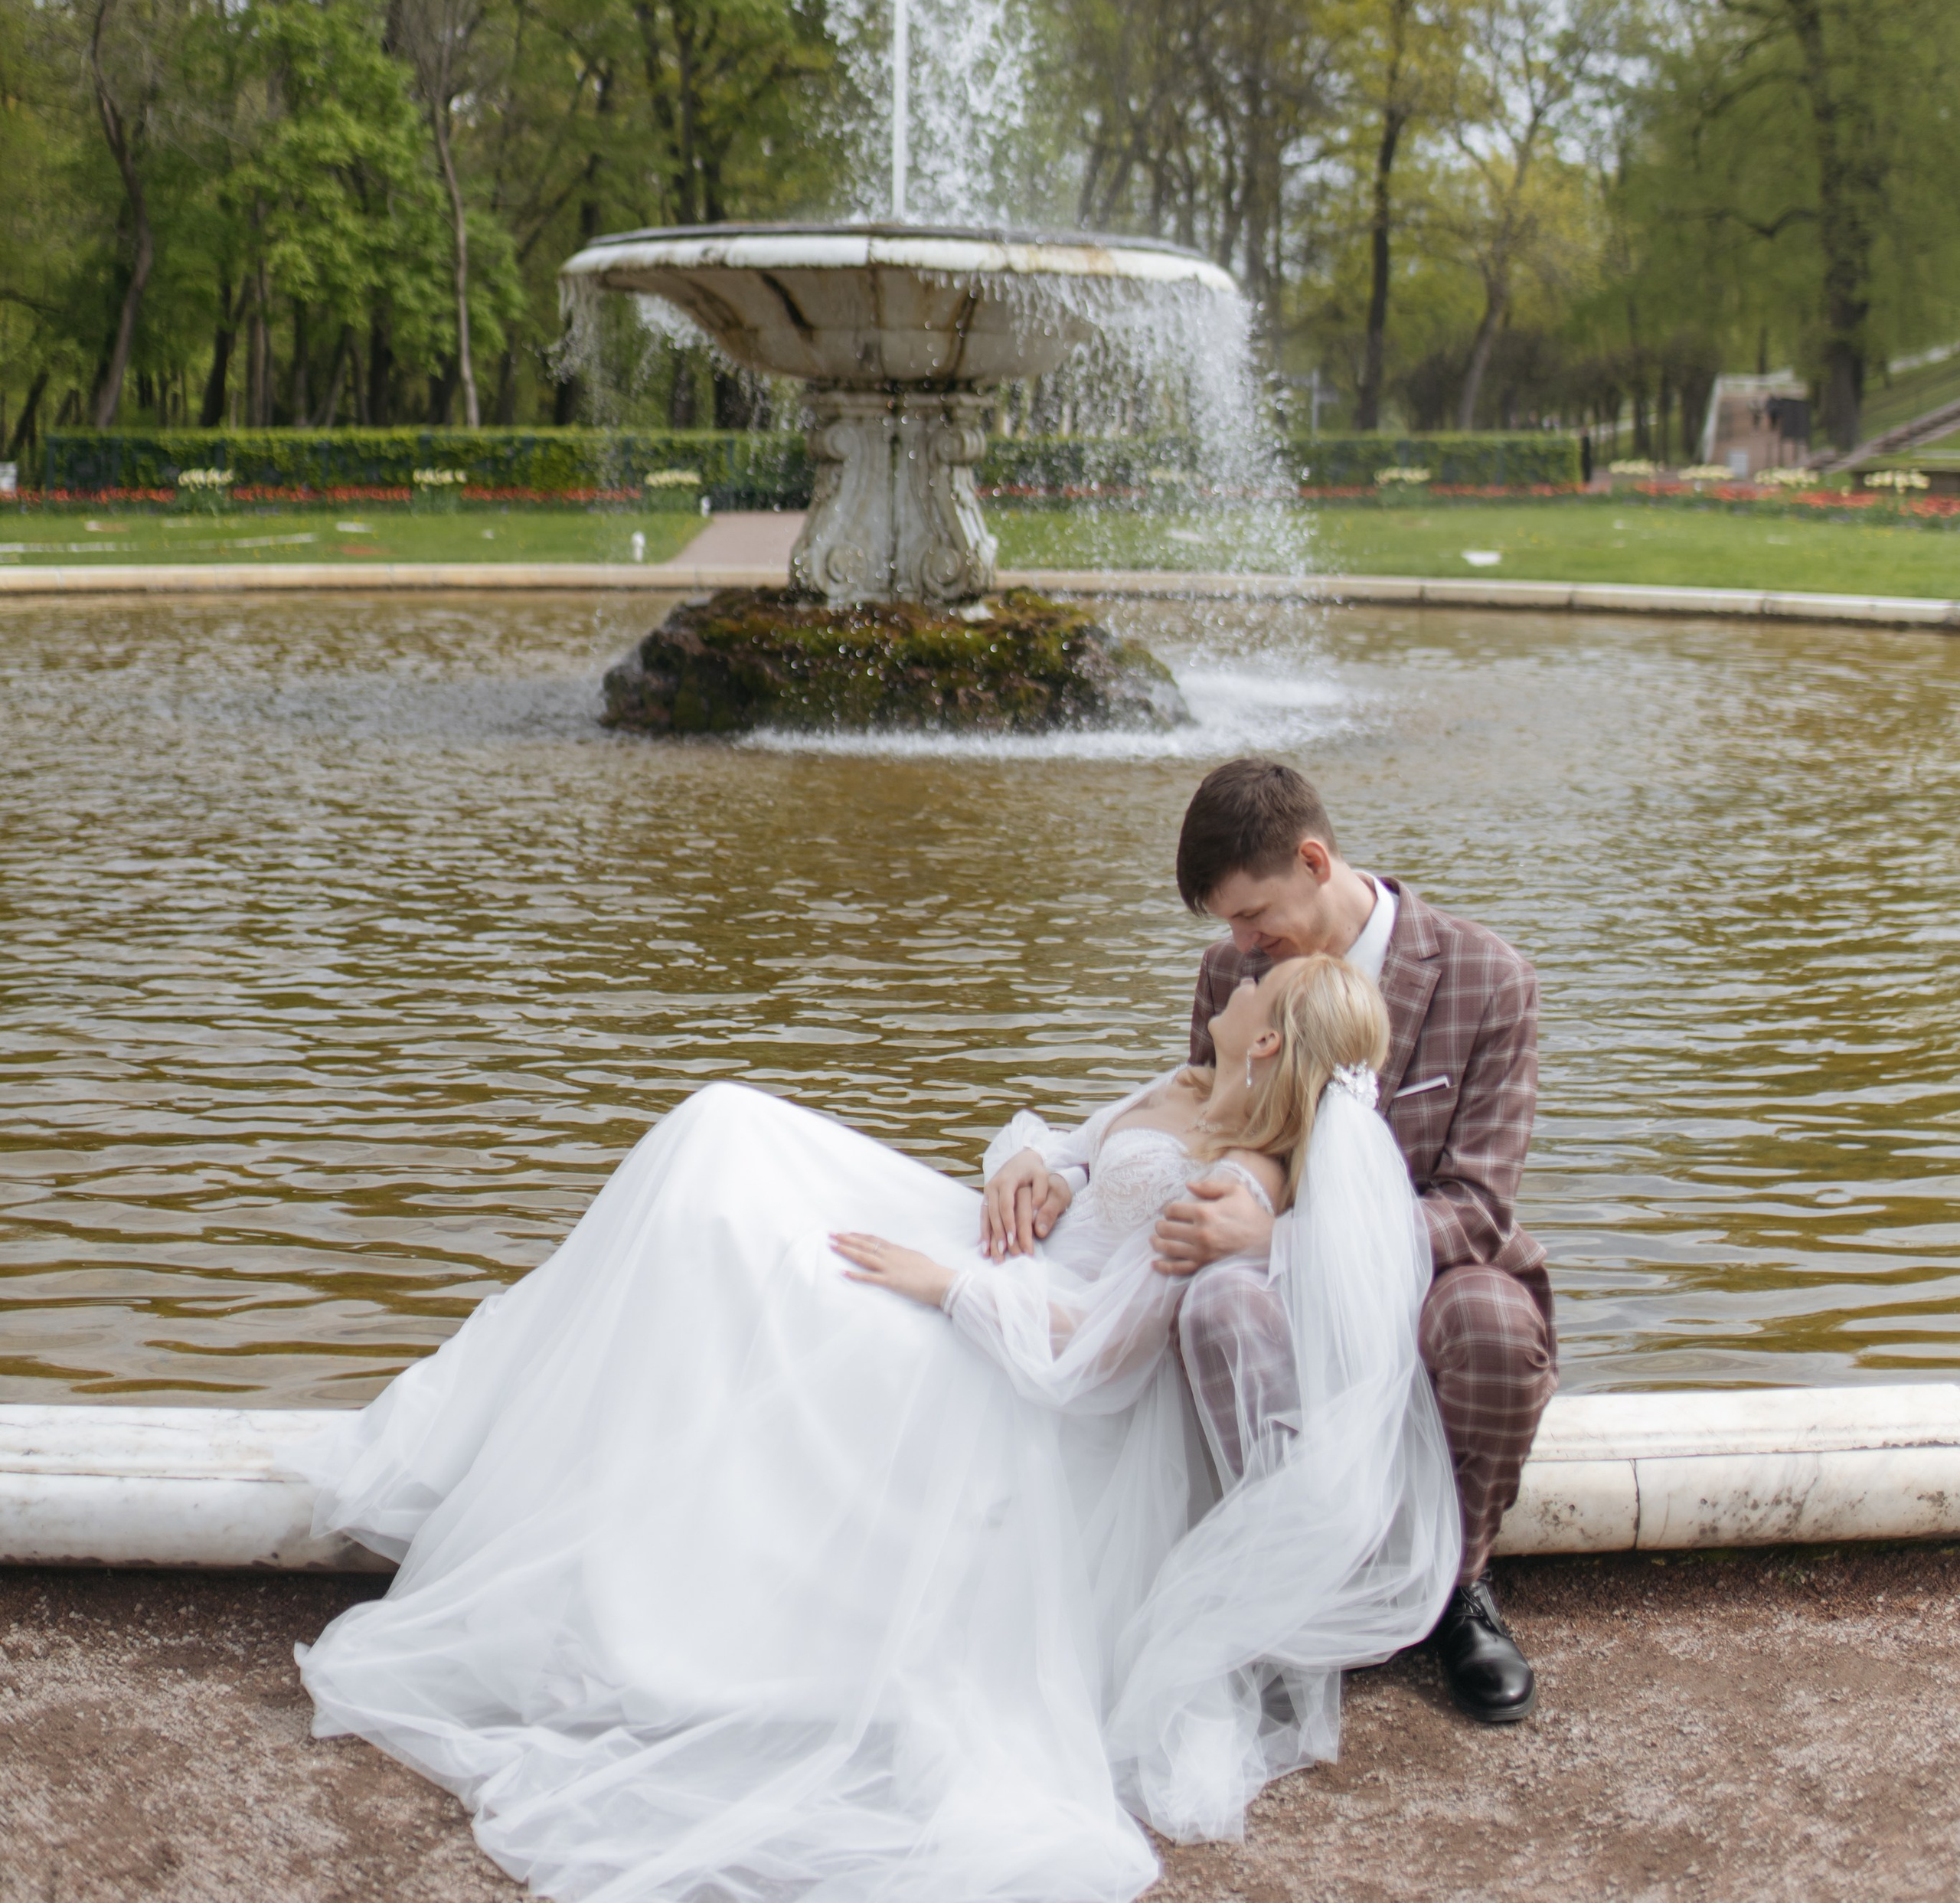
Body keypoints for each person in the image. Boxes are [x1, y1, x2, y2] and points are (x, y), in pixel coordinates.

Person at [297, 954, 1458, 1903]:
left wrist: (945, 1287)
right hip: (994, 1249)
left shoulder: (1234, 1186)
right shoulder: (1193, 1082)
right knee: (723, 1126)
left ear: (1269, 1041)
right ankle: (524, 1471)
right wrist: (1034, 1170)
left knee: (749, 1266)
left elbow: (1107, 1353)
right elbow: (1070, 1146)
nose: (1235, 981)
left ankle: (634, 1586)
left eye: (1256, 984)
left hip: (1017, 1348)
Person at [991, 756, 1557, 1725]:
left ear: (1313, 860)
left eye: (1253, 916)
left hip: (1431, 1271)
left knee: (1492, 1326)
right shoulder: (1234, 973)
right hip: (1253, 1261)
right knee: (1215, 1298)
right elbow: (1188, 1122)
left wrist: (1290, 1237)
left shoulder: (1487, 977)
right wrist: (1064, 1173)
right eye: (1227, 926)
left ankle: (1457, 1589)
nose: (1241, 945)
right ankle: (1285, 1579)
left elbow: (1476, 1207)